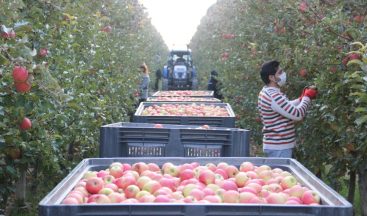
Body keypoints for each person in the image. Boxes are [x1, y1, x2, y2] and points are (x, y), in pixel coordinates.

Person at [257, 60, 318, 158]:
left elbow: (285, 106)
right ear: (271, 77)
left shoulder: (267, 91)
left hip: (276, 145)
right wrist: (307, 97)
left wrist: (300, 99)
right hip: (279, 147)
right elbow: (297, 115)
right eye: (280, 73)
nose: (283, 74)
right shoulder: (274, 95)